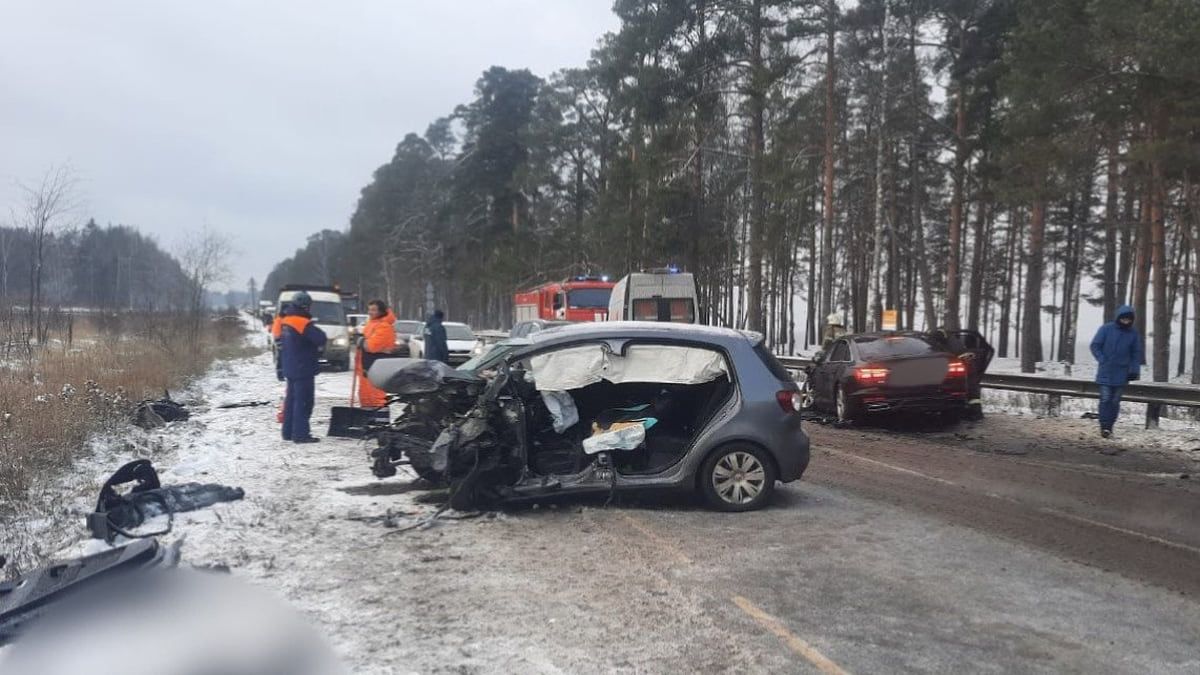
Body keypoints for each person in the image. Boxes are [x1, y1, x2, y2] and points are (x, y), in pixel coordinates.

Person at [278, 291, 326, 443]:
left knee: (291, 401)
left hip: (290, 367)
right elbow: (320, 338)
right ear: (306, 306)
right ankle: (300, 434)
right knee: (303, 401)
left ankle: (288, 432)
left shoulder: (286, 321)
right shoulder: (302, 323)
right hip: (303, 368)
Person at [1090, 304, 1143, 438]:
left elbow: (1136, 353)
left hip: (1122, 373)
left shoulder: (1133, 333)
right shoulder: (1106, 329)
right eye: (1124, 319)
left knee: (1115, 401)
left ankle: (1110, 426)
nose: (1126, 321)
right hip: (1106, 371)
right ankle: (1104, 426)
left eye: (1128, 320)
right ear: (1118, 318)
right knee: (1105, 399)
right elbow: (1095, 345)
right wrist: (1102, 359)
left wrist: (1134, 370)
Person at [356, 300, 396, 407]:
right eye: (369, 309)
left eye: (373, 310)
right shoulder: (372, 324)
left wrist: (361, 341)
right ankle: (368, 419)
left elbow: (372, 346)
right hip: (367, 368)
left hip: (376, 368)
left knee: (376, 399)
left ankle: (380, 420)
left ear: (381, 311)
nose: (370, 312)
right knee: (366, 398)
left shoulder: (384, 326)